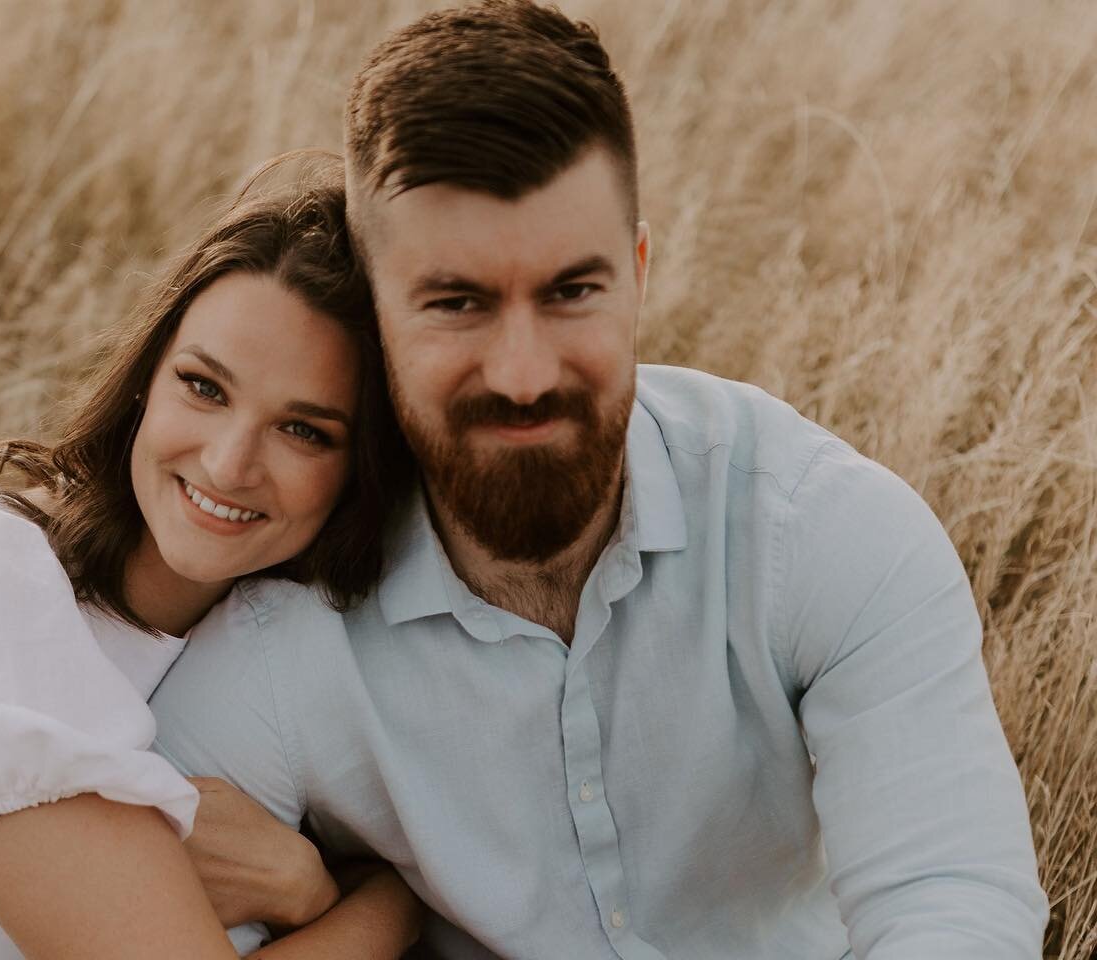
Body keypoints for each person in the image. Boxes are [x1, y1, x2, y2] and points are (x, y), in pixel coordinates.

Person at [149, 2, 1050, 958]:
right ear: (374, 314)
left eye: (572, 291)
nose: (524, 373)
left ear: (639, 271)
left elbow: (951, 904)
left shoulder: (816, 529)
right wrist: (358, 906)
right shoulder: (280, 642)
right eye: (458, 303)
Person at [0, 168, 423, 959]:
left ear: (363, 469)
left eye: (304, 431)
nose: (227, 462)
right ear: (147, 378)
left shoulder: (278, 644)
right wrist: (383, 900)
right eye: (204, 387)